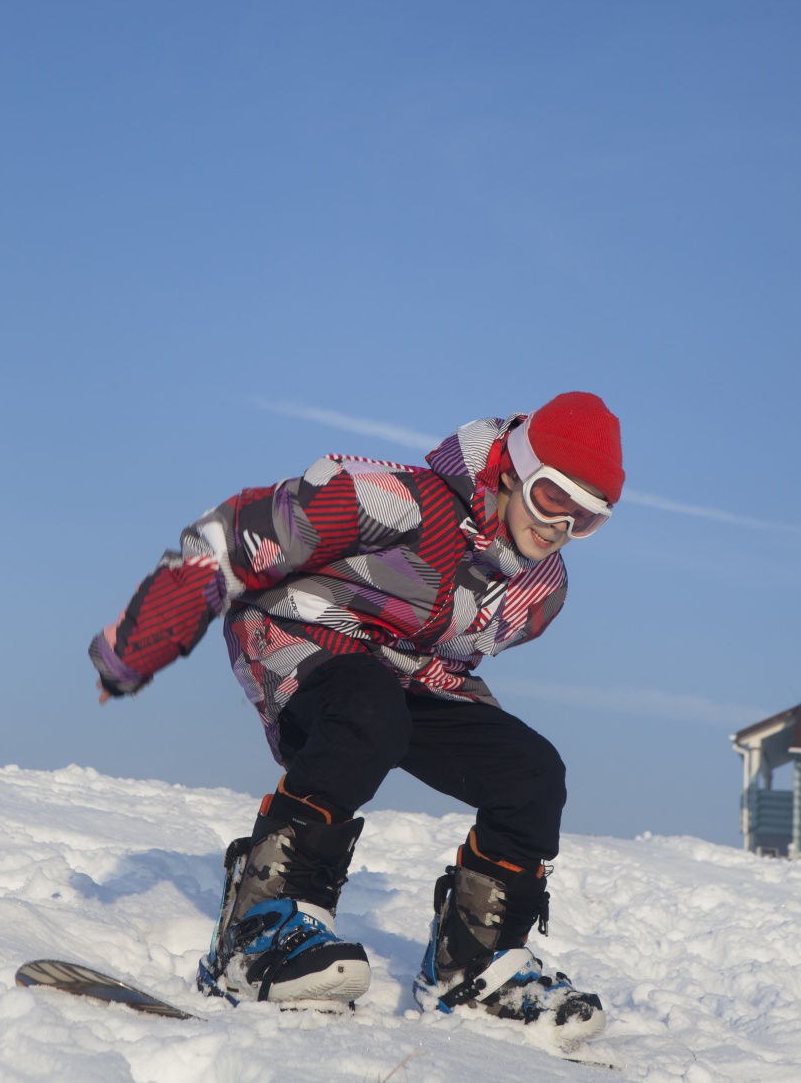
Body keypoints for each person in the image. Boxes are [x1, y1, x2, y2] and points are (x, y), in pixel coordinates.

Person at [90, 392, 623, 1043]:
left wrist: (473, 734)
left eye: (588, 517)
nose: (561, 526)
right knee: (369, 712)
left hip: (404, 677)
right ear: (512, 469)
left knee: (530, 771)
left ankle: (477, 963)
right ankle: (259, 929)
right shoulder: (393, 499)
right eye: (552, 498)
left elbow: (449, 656)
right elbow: (229, 537)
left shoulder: (543, 588)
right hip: (299, 635)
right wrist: (135, 648)